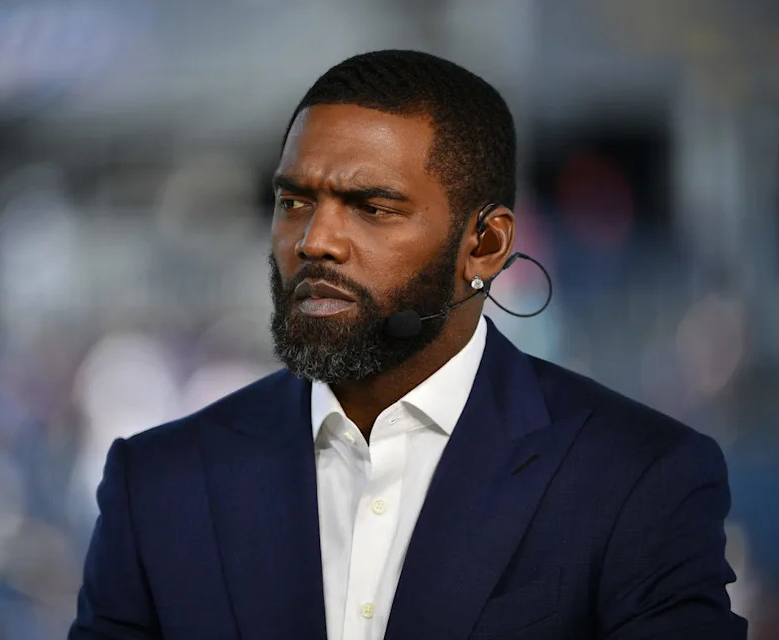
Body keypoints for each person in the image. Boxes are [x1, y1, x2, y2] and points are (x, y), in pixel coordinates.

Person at [69, 50, 746, 640]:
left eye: (372, 206)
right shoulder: (159, 483)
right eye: (295, 202)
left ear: (484, 245)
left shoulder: (636, 479)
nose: (315, 241)